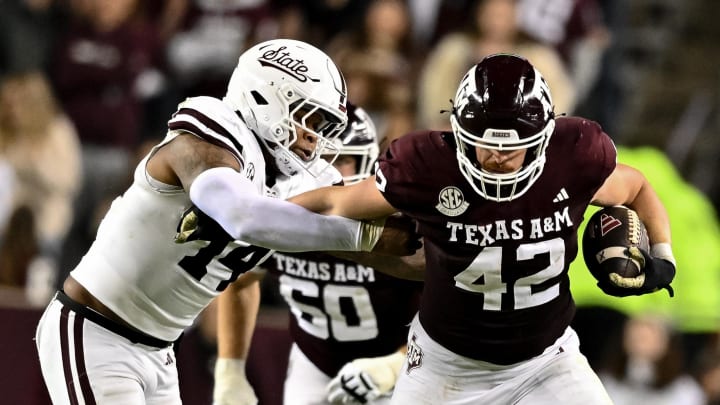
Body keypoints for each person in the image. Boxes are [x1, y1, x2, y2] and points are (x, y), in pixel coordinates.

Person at [34, 38, 418, 405]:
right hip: (97, 329)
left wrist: (451, 244)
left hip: (160, 349)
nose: (314, 139)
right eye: (309, 119)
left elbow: (389, 245)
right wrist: (363, 236)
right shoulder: (209, 138)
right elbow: (243, 217)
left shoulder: (297, 178)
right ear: (268, 96)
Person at [288, 53, 677, 404]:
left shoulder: (572, 158)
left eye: (514, 147)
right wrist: (264, 216)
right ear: (458, 132)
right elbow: (337, 201)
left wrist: (663, 256)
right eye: (484, 144)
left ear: (543, 138)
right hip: (445, 365)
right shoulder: (428, 167)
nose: (498, 158)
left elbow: (637, 186)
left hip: (546, 361)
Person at [211, 104, 425, 405]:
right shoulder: (280, 210)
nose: (331, 172)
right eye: (323, 157)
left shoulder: (400, 225)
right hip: (314, 360)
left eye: (345, 159)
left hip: (400, 363)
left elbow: (454, 314)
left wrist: (397, 364)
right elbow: (242, 281)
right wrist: (229, 370)